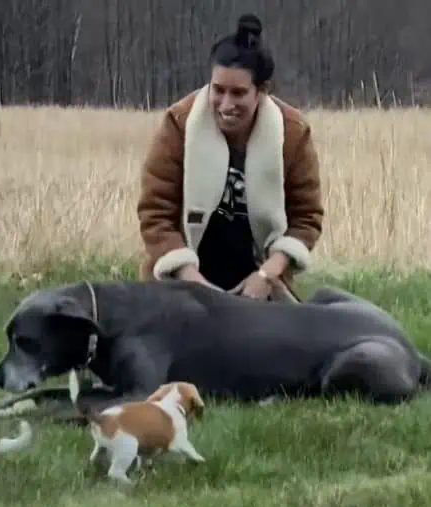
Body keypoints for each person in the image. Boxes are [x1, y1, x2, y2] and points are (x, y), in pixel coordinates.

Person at [135, 13, 324, 302]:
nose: (226, 104)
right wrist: (189, 277)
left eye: (238, 93)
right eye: (218, 90)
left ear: (262, 91)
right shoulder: (179, 124)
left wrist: (268, 274)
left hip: (259, 280)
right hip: (184, 278)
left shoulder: (293, 134)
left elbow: (306, 217)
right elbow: (155, 212)